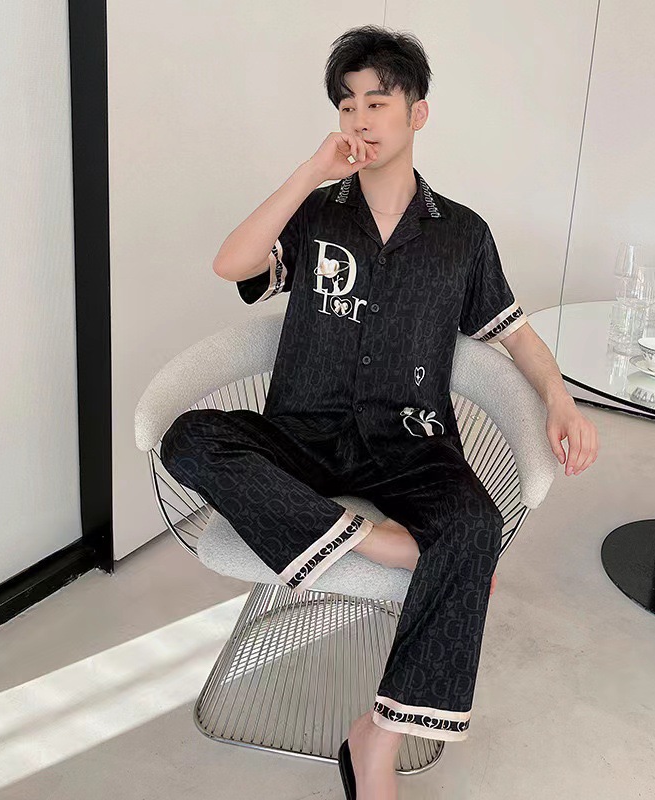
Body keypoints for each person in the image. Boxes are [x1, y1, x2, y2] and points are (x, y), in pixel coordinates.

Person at [162, 24, 599, 800]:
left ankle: (377, 739)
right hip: (301, 433)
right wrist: (310, 172)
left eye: (377, 101)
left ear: (417, 113)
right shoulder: (317, 213)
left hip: (409, 442)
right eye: (346, 103)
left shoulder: (462, 235)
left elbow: (515, 334)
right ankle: (378, 543)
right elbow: (232, 263)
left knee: (473, 525)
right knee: (190, 438)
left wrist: (561, 401)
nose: (359, 118)